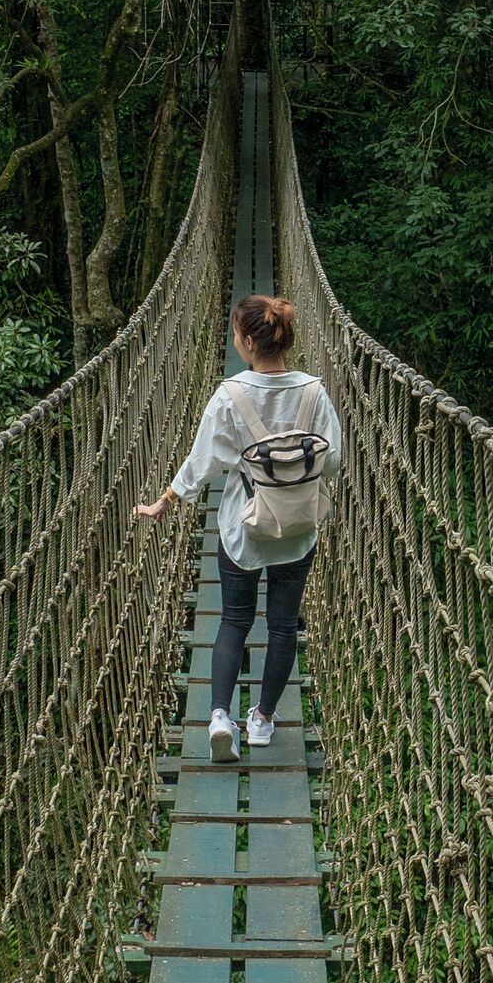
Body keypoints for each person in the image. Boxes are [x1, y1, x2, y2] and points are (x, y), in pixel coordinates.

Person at [137, 294, 345, 758]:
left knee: (233, 620)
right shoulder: (314, 391)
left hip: (241, 529)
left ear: (249, 341)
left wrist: (165, 500)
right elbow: (333, 461)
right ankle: (264, 721)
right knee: (283, 627)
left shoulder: (229, 395)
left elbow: (203, 460)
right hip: (297, 530)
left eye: (236, 335)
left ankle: (218, 716)